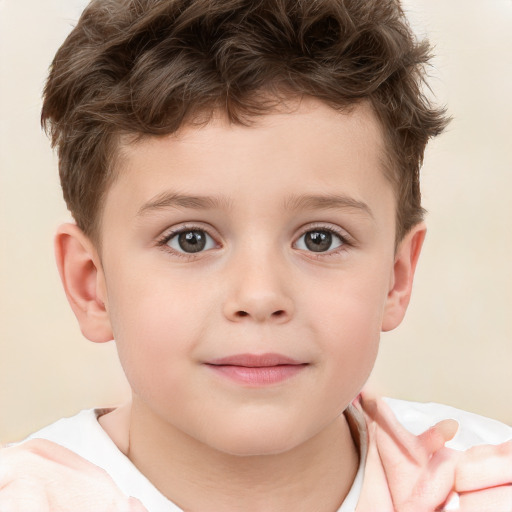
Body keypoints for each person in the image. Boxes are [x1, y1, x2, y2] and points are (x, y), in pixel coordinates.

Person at [0, 0, 511, 510]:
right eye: (190, 239)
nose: (260, 295)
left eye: (320, 238)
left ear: (397, 277)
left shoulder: (486, 486)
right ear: (92, 284)